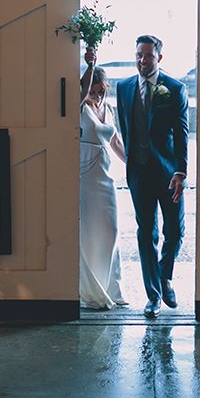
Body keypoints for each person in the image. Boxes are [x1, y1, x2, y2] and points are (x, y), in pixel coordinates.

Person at [116, 35, 188, 318]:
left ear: (159, 58)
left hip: (169, 173)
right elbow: (126, 129)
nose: (142, 60)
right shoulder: (123, 88)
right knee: (146, 233)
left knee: (175, 230)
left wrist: (180, 172)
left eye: (148, 55)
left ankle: (164, 276)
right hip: (139, 173)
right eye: (138, 55)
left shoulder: (175, 88)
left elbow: (182, 134)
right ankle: (153, 296)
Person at [79, 50, 128, 310]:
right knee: (88, 232)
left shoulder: (107, 108)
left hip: (106, 175)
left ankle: (112, 288)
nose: (97, 95)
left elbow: (115, 141)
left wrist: (131, 165)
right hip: (85, 174)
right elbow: (84, 87)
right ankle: (90, 291)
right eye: (93, 90)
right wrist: (91, 64)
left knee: (111, 230)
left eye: (101, 91)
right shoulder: (77, 106)